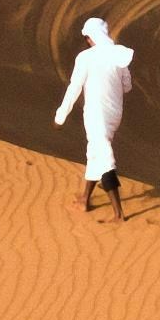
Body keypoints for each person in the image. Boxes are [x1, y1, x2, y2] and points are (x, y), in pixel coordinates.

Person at [56, 16, 135, 221]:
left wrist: (61, 115)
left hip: (95, 113)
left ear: (90, 37)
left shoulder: (85, 58)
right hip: (114, 114)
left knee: (104, 158)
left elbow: (74, 88)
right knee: (95, 151)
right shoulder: (118, 55)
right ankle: (85, 198)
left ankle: (118, 214)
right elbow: (127, 86)